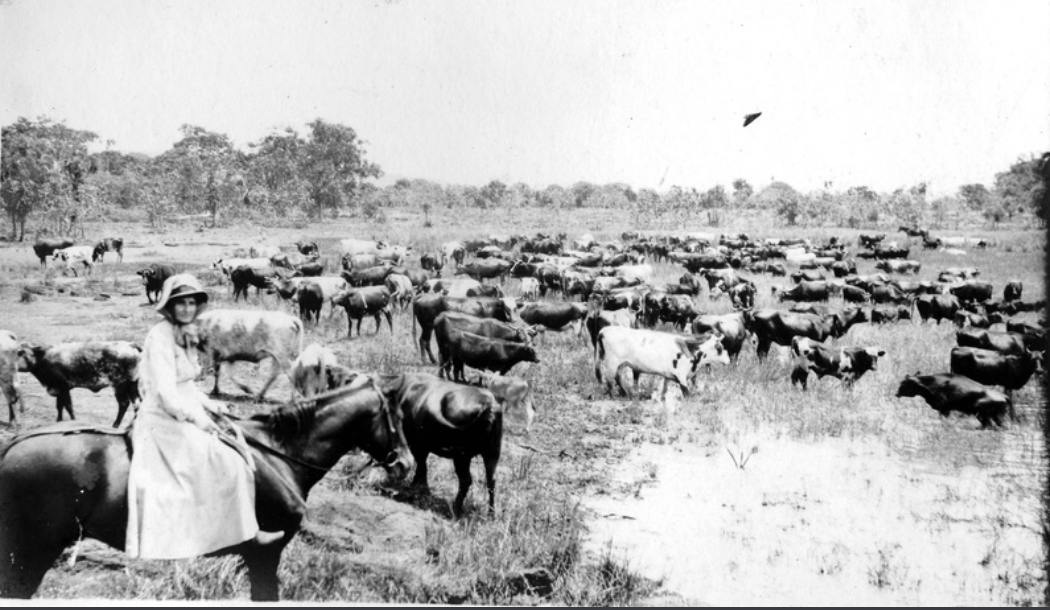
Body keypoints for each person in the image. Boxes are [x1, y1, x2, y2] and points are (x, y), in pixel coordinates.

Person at [126, 273, 283, 559]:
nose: (186, 309)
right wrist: (199, 419)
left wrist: (209, 404)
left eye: (191, 303)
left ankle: (230, 528)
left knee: (237, 444)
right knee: (223, 460)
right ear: (169, 306)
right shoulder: (159, 336)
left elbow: (184, 384)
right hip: (163, 417)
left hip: (184, 406)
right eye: (180, 303)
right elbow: (165, 392)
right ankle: (223, 535)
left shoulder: (184, 333)